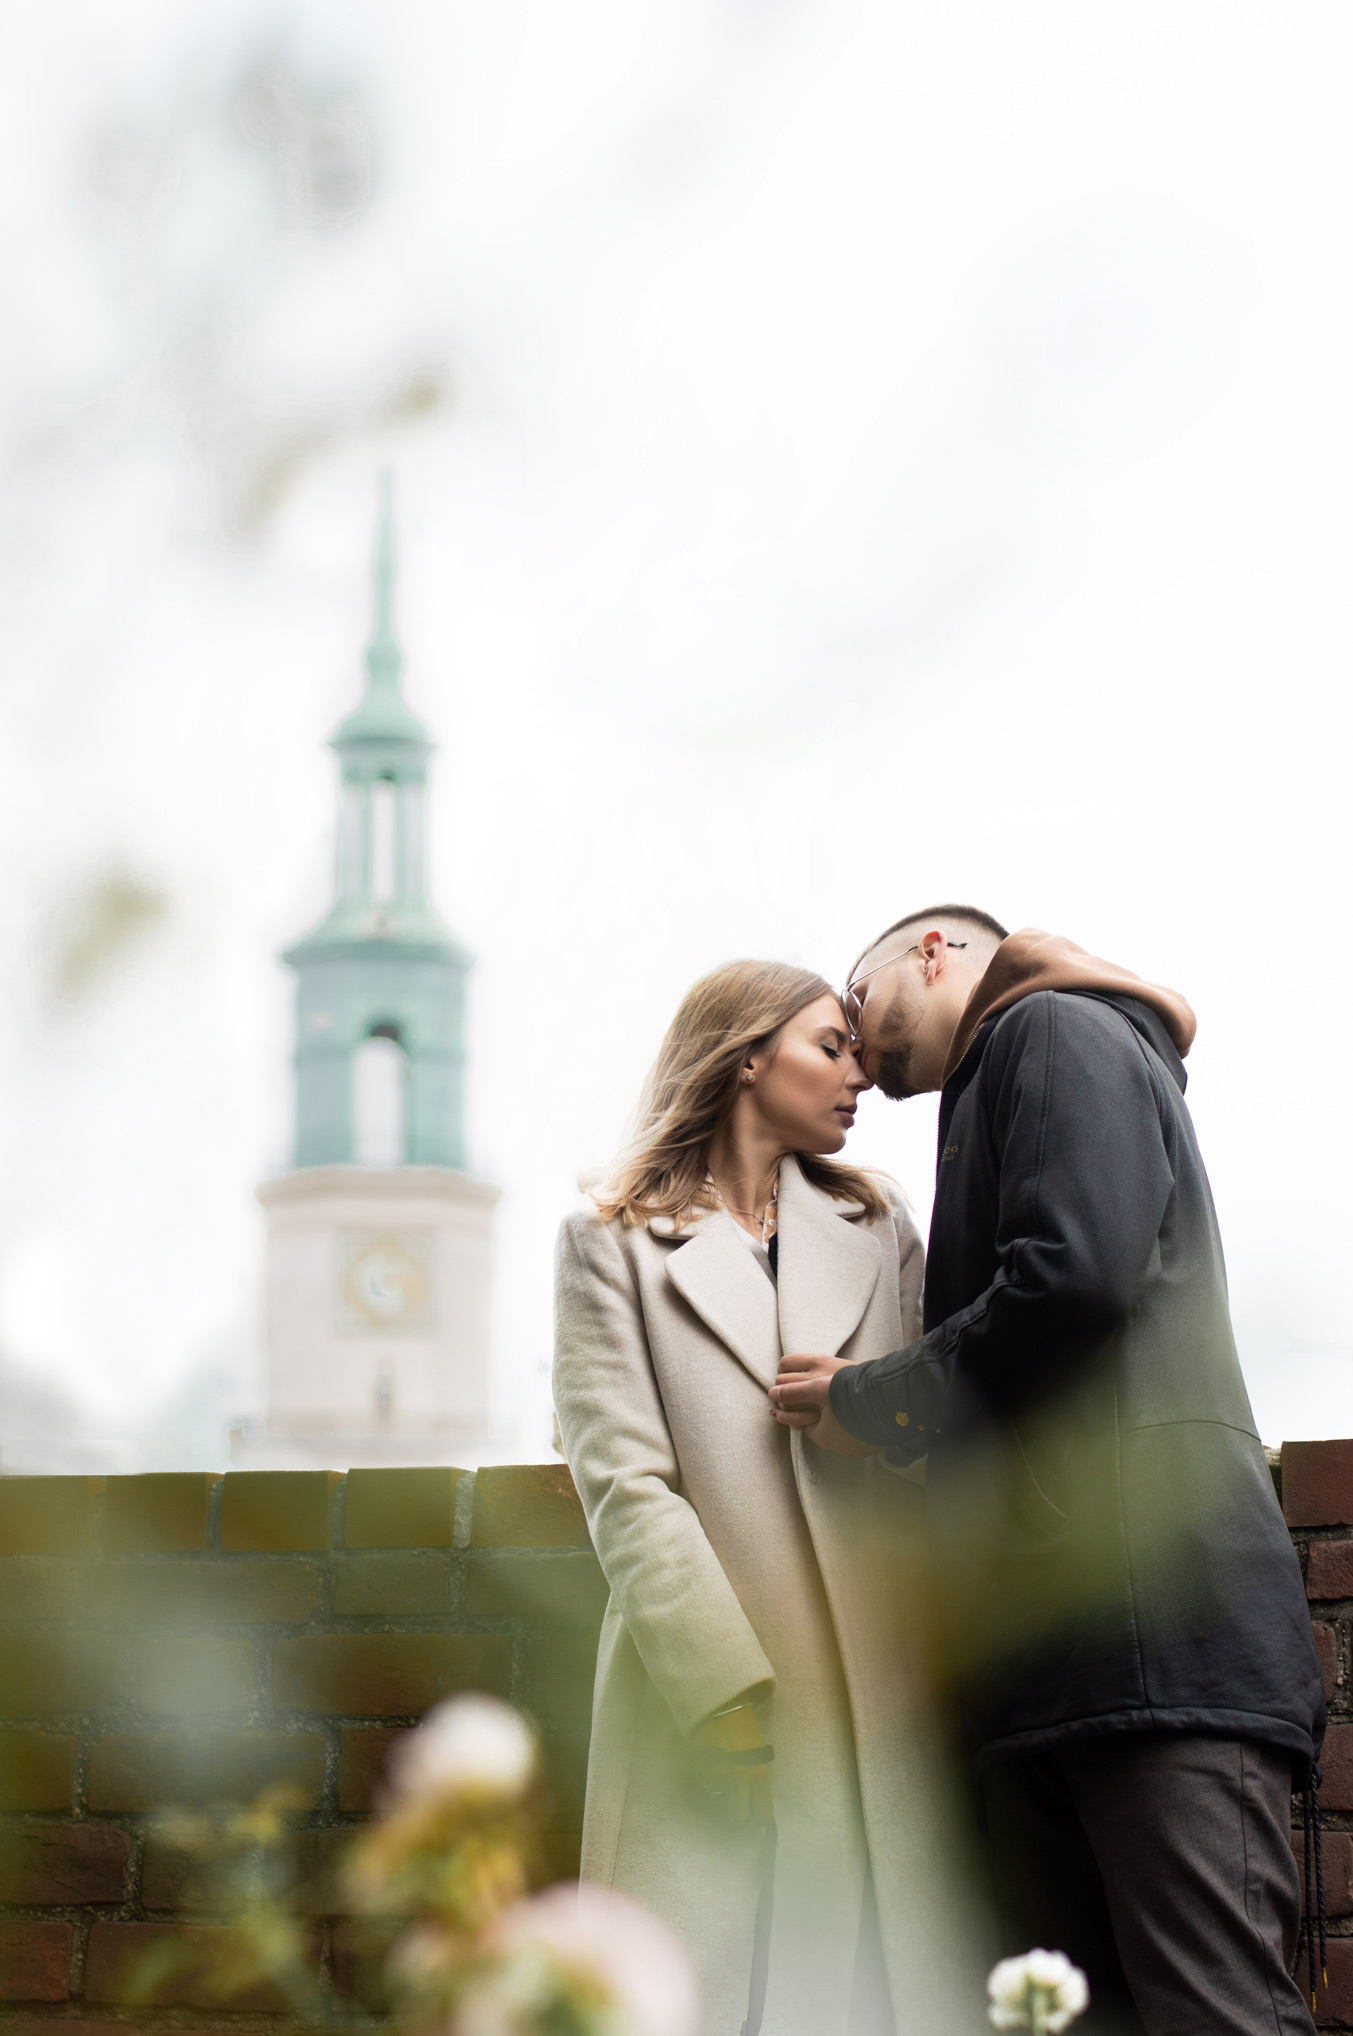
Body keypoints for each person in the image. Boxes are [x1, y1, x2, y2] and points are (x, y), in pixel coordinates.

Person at [770, 909, 1326, 2036]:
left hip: (1157, 1657)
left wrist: (869, 1401)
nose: (858, 1063)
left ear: (934, 952)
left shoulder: (1050, 1031)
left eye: (856, 994)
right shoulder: (1001, 1078)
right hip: (1071, 1676)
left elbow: (1072, 1279)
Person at [553, 960, 983, 2036]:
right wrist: (724, 1688)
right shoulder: (610, 1237)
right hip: (711, 1698)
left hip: (880, 1697)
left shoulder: (875, 1223)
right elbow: (624, 1480)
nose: (860, 1076)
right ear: (748, 1056)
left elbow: (939, 1426)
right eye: (829, 1048)